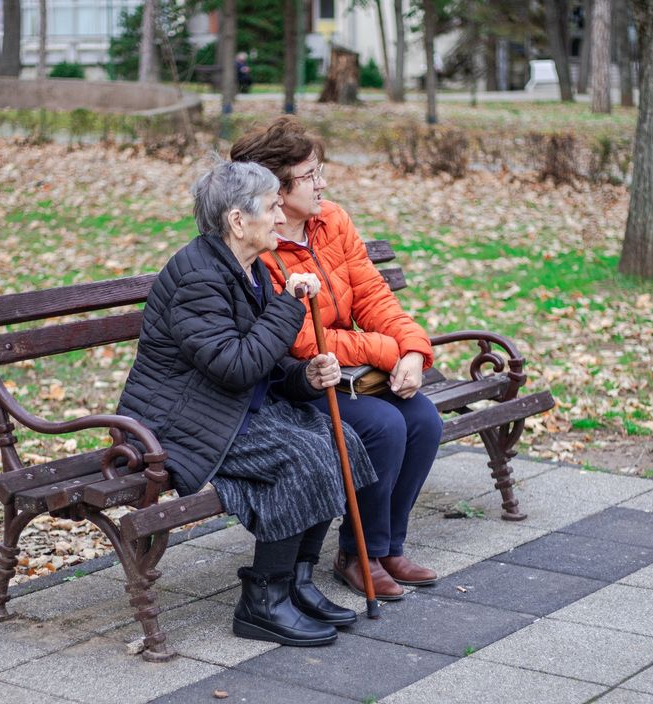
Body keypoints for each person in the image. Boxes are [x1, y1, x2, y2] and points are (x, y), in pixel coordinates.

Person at [117, 160, 373, 646]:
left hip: (227, 408)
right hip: (180, 422)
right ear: (238, 220)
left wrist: (306, 378)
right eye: (273, 207)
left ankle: (296, 581)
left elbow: (264, 367)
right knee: (304, 455)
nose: (281, 217)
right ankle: (263, 599)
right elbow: (235, 366)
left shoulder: (244, 268)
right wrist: (290, 304)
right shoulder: (198, 277)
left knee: (338, 441)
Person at [230, 117, 442, 603]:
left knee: (424, 420)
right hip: (294, 384)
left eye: (319, 170)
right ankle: (356, 554)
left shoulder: (333, 222)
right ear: (276, 189)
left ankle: (388, 547)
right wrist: (388, 352)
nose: (321, 183)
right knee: (383, 426)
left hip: (348, 372)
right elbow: (301, 340)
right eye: (310, 175)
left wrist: (412, 348)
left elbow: (373, 296)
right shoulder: (260, 245)